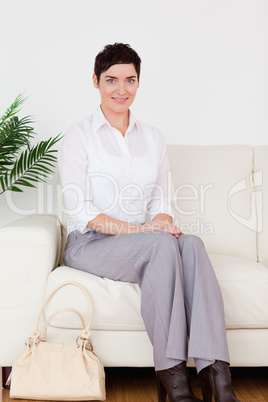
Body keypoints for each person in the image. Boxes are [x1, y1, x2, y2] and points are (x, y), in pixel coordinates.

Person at [58, 43, 239, 402]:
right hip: (89, 244)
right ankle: (175, 380)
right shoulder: (78, 136)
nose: (120, 89)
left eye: (129, 80)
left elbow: (161, 199)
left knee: (190, 244)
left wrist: (161, 222)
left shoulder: (153, 138)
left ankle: (217, 379)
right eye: (111, 80)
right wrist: (146, 231)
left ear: (138, 83)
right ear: (95, 81)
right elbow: (83, 212)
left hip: (139, 243)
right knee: (160, 243)